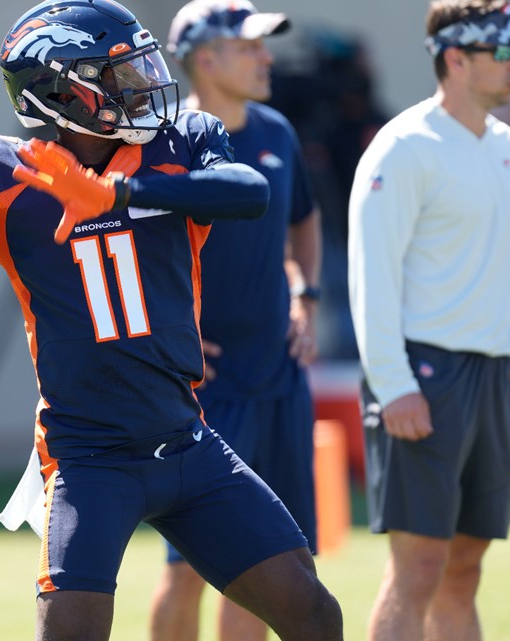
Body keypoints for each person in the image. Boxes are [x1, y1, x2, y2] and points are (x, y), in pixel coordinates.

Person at [0, 2, 342, 639]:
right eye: (120, 75)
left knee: (313, 614)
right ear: (61, 92)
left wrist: (119, 195)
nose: (146, 84)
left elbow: (249, 192)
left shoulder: (181, 141)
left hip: (185, 440)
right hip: (88, 459)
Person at [347, 2, 510, 639]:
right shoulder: (404, 147)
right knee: (419, 567)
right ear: (455, 57)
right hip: (423, 375)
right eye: (503, 49)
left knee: (465, 567)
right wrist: (395, 383)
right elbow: (371, 277)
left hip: (493, 379)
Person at [148, 2, 322, 640]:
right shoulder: (163, 144)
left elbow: (304, 218)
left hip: (278, 379)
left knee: (274, 564)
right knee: (188, 569)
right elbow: (127, 255)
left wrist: (308, 294)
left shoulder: (277, 131)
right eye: (249, 46)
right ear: (204, 57)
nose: (265, 57)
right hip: (204, 394)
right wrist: (168, 342)